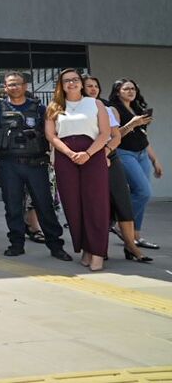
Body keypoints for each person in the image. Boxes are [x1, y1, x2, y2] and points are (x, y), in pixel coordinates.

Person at [0, 72, 72, 261]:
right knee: (13, 206)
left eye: (17, 84)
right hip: (9, 164)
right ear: (5, 87)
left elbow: (50, 133)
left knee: (44, 205)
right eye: (9, 85)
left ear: (25, 86)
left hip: (36, 163)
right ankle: (16, 244)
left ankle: (56, 245)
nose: (13, 87)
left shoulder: (40, 109)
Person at [45, 69, 111, 271]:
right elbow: (51, 135)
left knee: (96, 204)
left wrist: (88, 154)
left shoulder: (95, 103)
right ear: (61, 85)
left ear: (81, 83)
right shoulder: (54, 107)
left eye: (75, 80)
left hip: (93, 154)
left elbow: (105, 133)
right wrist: (70, 153)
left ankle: (98, 252)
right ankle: (85, 249)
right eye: (66, 81)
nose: (71, 83)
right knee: (73, 205)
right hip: (66, 158)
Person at [83, 76, 151, 262]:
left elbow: (115, 135)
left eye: (96, 86)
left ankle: (131, 246)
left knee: (123, 200)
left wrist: (106, 151)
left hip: (108, 156)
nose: (93, 89)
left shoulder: (106, 108)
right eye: (89, 86)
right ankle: (97, 248)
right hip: (86, 159)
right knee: (97, 205)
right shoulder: (73, 109)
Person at [108, 78, 164, 251]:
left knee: (140, 193)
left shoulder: (138, 108)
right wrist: (133, 123)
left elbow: (143, 137)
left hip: (142, 154)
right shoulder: (113, 109)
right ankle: (119, 222)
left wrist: (155, 159)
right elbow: (115, 136)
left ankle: (135, 235)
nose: (131, 91)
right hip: (125, 153)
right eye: (126, 89)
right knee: (144, 192)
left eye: (133, 88)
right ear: (118, 92)